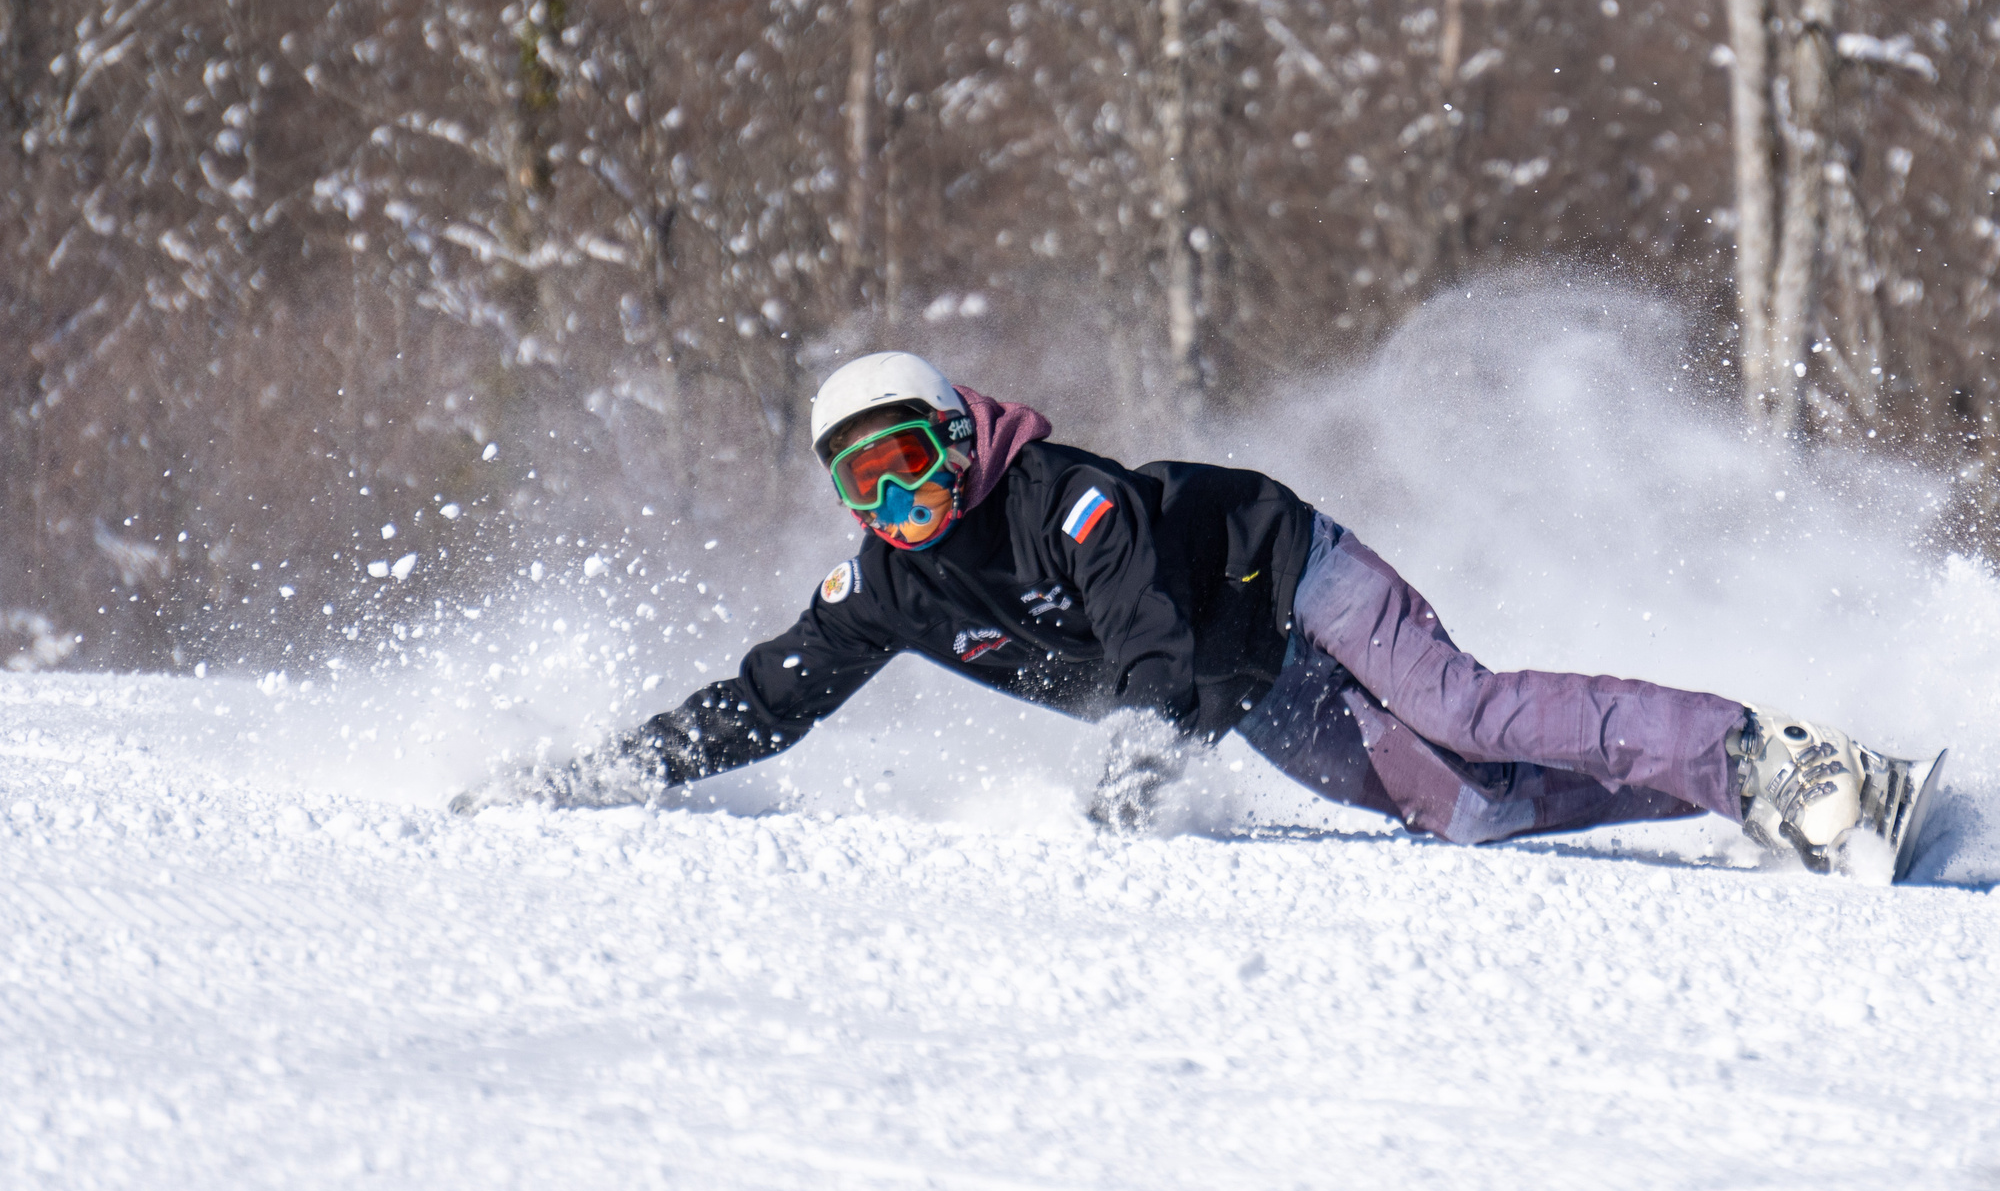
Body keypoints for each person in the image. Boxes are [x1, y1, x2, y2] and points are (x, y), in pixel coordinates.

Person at [455, 351, 1901, 869]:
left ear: (959, 440)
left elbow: (1145, 631)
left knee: (1462, 708)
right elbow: (773, 693)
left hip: (1282, 572)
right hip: (1241, 686)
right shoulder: (890, 583)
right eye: (864, 487)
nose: (895, 507)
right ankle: (1746, 813)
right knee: (1468, 815)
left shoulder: (1063, 496)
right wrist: (623, 770)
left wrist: (1144, 755)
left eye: (910, 467)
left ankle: (1783, 767)